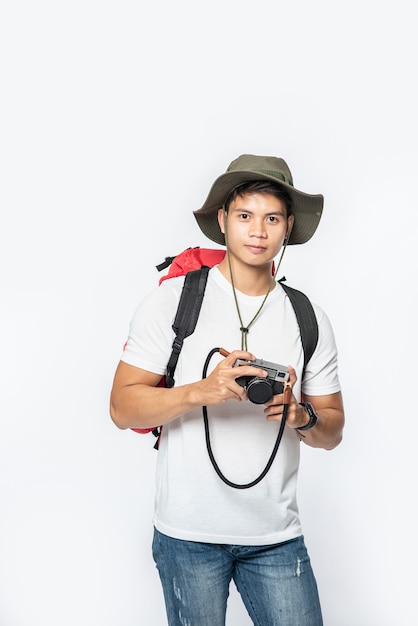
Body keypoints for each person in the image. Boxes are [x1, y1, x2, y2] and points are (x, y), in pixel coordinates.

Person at [110, 153, 345, 626]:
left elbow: (333, 430)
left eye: (271, 218)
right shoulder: (174, 301)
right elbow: (121, 407)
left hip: (277, 537)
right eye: (244, 216)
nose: (257, 231)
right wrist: (200, 390)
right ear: (222, 221)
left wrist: (301, 418)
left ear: (287, 227)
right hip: (187, 535)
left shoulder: (307, 317)